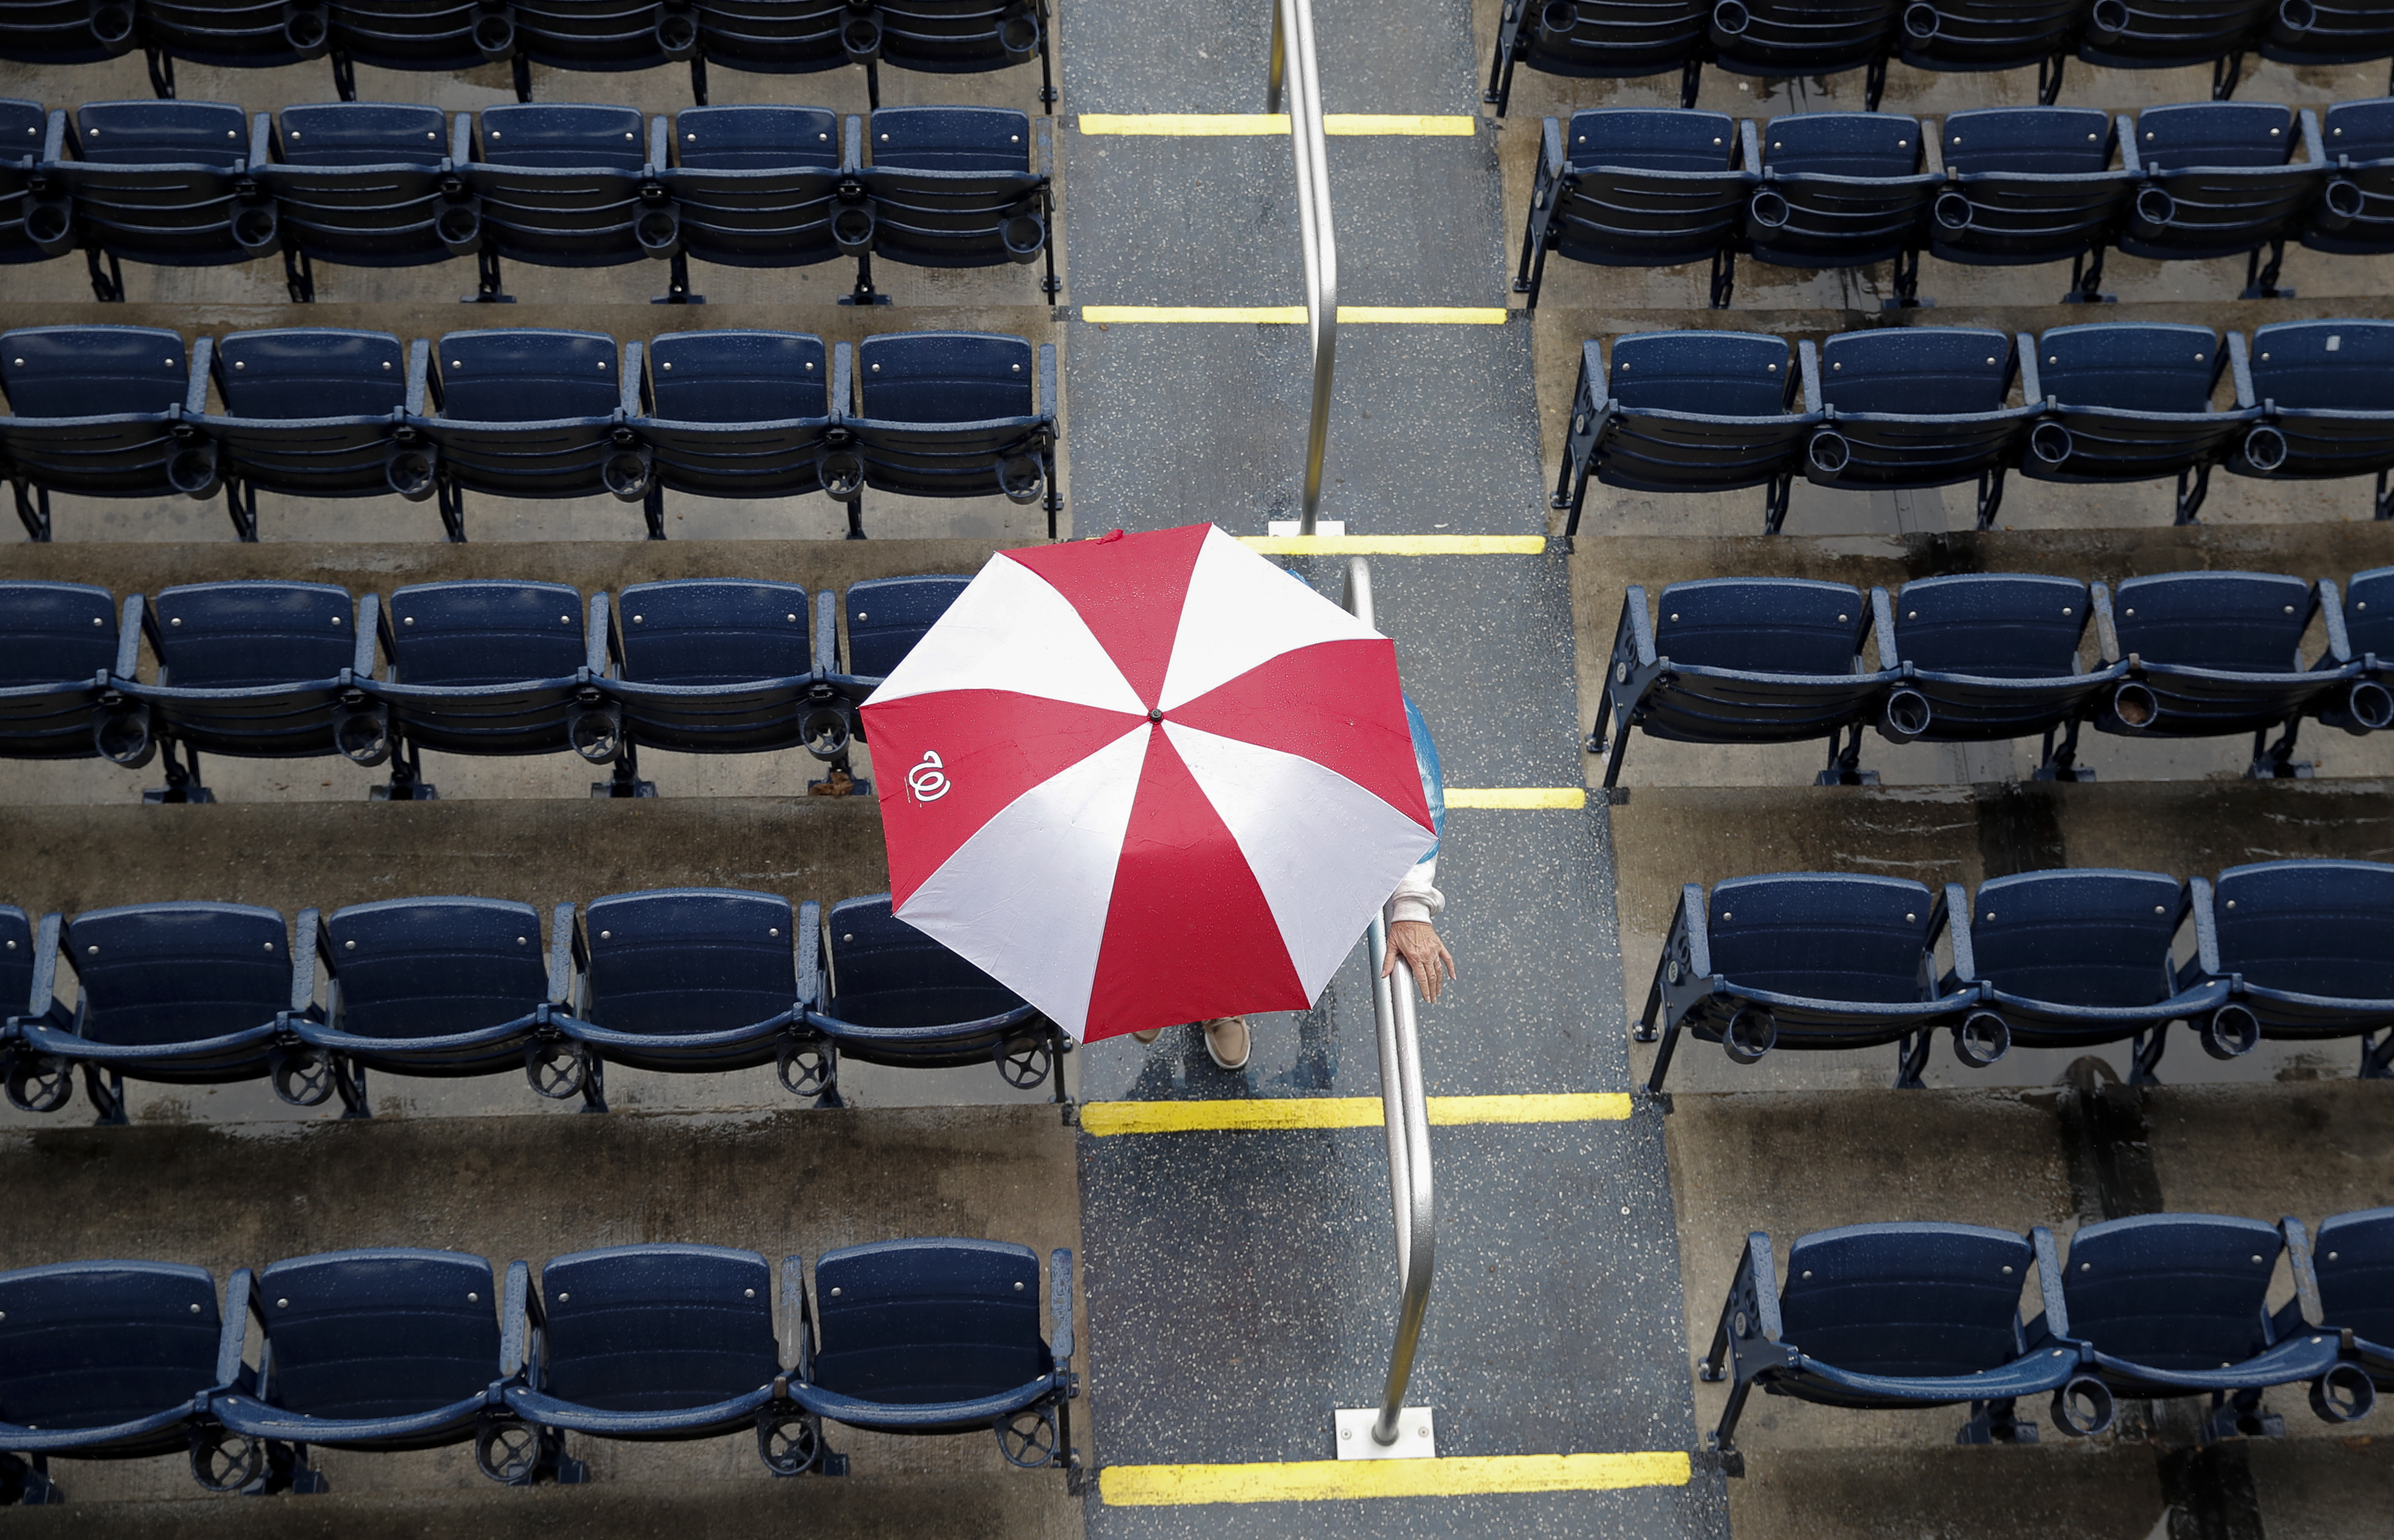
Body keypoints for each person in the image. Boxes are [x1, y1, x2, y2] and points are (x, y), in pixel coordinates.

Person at [1132, 694, 1455, 1071]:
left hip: (1266, 803)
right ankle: (1156, 982)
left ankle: (1217, 998)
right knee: (1150, 881)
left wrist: (1412, 903)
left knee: (1239, 905)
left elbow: (1403, 747)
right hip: (1154, 785)